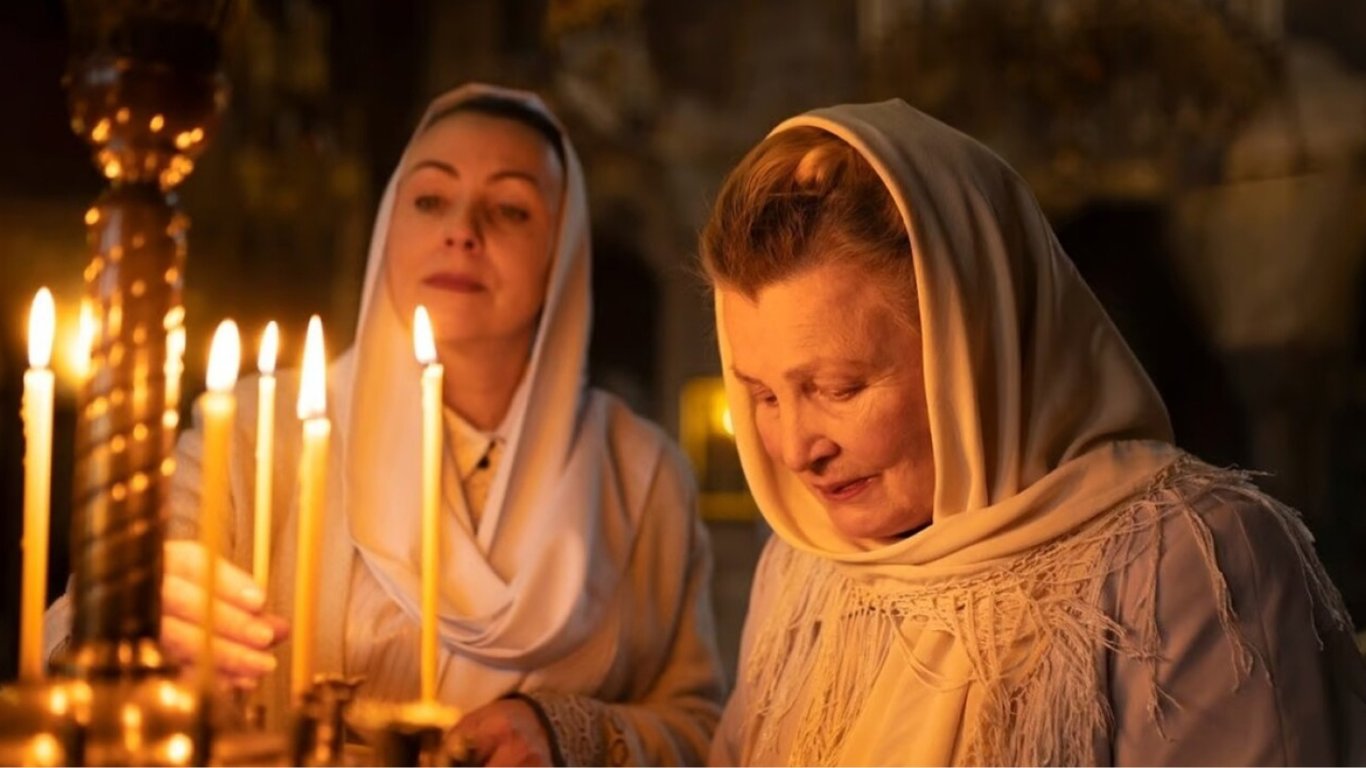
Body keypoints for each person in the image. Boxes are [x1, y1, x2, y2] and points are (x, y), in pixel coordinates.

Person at [46, 83, 724, 766]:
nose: (462, 229)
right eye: (430, 199)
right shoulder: (258, 431)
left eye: (510, 209)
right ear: (388, 228)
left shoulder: (642, 476)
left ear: (564, 254)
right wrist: (138, 617)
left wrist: (564, 730)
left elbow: (702, 729)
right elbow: (77, 634)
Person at [699, 99, 1366, 765]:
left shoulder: (1187, 563)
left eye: (839, 388)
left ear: (976, 350)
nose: (797, 450)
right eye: (762, 396)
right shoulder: (802, 568)